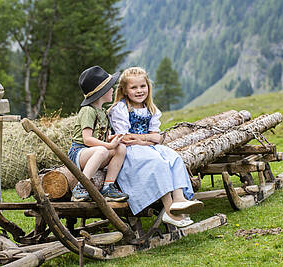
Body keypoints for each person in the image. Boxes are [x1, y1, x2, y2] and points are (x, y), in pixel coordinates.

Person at [109, 66, 203, 227]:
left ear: (148, 87)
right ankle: (170, 211)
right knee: (157, 163)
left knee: (174, 158)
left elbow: (157, 138)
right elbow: (123, 137)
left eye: (142, 86)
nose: (139, 91)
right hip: (130, 152)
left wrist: (141, 139)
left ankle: (179, 199)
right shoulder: (121, 108)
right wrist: (146, 140)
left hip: (146, 147)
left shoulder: (150, 109)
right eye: (134, 87)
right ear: (124, 90)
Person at [68, 66, 128, 202]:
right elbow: (87, 139)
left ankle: (108, 187)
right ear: (102, 92)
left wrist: (113, 139)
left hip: (97, 152)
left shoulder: (103, 112)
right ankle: (81, 186)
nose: (113, 90)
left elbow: (101, 137)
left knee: (121, 148)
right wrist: (108, 145)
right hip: (80, 152)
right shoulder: (88, 111)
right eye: (110, 87)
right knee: (102, 150)